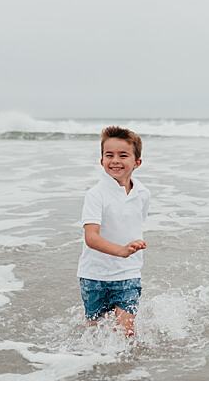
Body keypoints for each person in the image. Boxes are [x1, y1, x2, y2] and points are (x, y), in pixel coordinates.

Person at [79, 126, 149, 336]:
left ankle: (129, 369)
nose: (115, 160)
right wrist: (121, 250)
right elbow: (91, 237)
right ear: (102, 161)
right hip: (94, 275)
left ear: (137, 162)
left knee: (126, 335)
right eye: (109, 155)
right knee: (96, 336)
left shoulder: (143, 194)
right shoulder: (95, 194)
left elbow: (136, 224)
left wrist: (129, 251)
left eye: (123, 155)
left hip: (128, 273)